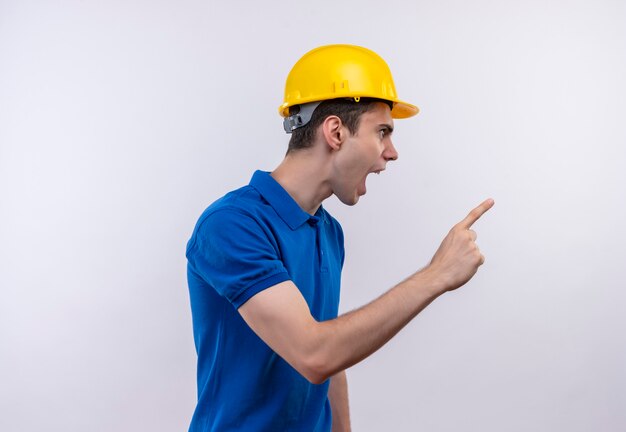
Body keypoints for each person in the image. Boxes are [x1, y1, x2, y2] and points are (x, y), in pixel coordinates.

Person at [186, 44, 494, 431]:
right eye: (382, 131)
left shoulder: (328, 231)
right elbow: (315, 354)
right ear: (335, 131)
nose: (392, 152)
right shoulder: (232, 225)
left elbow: (333, 357)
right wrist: (436, 275)